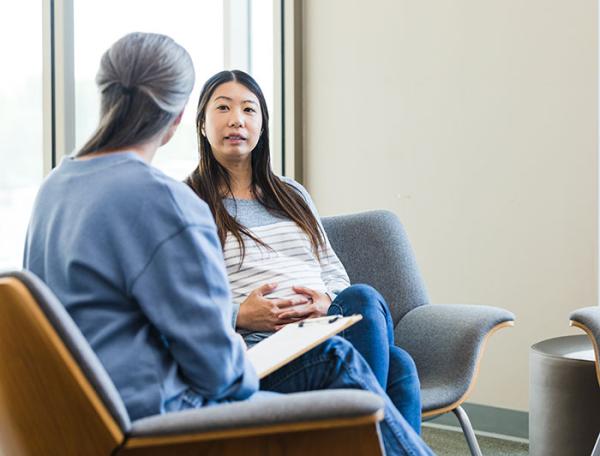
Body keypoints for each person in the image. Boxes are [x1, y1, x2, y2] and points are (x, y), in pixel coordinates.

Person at [23, 33, 431, 455]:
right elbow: (220, 375)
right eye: (223, 107)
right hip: (164, 415)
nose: (236, 119)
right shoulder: (170, 202)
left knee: (381, 362)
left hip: (79, 416)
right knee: (338, 362)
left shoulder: (55, 187)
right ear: (183, 116)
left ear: (106, 93)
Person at [185, 70, 422, 433]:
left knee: (362, 298)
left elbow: (333, 271)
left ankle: (356, 436)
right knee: (398, 364)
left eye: (249, 109)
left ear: (262, 126)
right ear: (202, 123)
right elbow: (181, 303)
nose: (237, 119)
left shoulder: (292, 194)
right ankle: (361, 436)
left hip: (322, 330)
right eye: (223, 108)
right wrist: (239, 316)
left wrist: (328, 302)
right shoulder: (186, 204)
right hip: (265, 352)